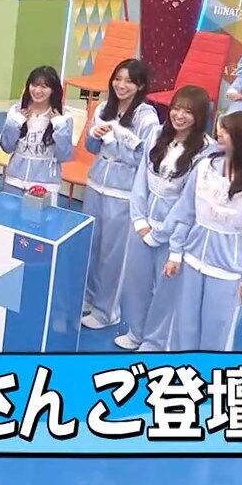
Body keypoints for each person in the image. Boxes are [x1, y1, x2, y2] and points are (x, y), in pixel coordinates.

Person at [161, 111, 242, 351]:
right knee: (183, 325)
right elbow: (186, 211)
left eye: (227, 131)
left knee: (216, 332)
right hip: (192, 261)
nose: (219, 133)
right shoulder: (204, 168)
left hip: (227, 272)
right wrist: (175, 252)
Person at [117, 86, 214, 351]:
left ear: (200, 116)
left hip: (175, 233)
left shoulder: (206, 151)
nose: (179, 116)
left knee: (166, 289)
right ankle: (136, 330)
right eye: (176, 108)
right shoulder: (157, 135)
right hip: (143, 225)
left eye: (188, 112)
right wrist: (140, 221)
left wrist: (162, 232)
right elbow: (140, 181)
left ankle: (156, 341)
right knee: (135, 281)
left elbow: (188, 202)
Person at [81, 59, 160, 330]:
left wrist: (114, 143)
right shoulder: (104, 108)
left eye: (129, 81)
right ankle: (88, 298)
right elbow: (91, 147)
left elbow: (143, 160)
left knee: (113, 255)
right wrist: (95, 135)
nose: (121, 85)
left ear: (140, 86)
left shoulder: (146, 118)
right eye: (118, 78)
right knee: (92, 246)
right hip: (95, 185)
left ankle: (107, 310)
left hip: (123, 192)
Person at [0, 65, 74, 202]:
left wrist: (59, 126)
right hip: (14, 182)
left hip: (45, 187)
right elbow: (6, 146)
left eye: (44, 87)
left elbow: (64, 155)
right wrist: (15, 123)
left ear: (53, 90)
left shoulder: (64, 116)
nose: (37, 91)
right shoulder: (17, 111)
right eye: (34, 85)